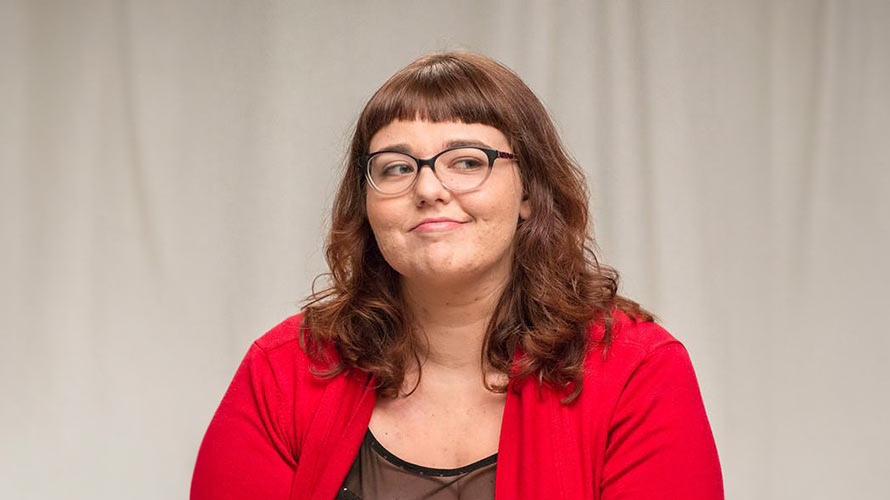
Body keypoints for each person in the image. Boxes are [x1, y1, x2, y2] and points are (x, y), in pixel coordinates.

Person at [190, 51, 724, 500]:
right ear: (367, 203)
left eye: (468, 161)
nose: (428, 189)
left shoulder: (639, 372)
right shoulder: (281, 372)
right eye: (396, 167)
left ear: (531, 194)